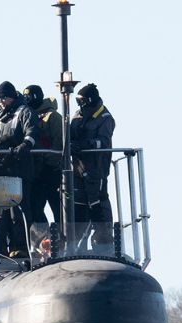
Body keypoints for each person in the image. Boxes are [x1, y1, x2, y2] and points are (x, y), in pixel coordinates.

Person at [0, 80, 36, 257]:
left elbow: (31, 132)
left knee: (19, 210)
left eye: (4, 98)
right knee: (3, 214)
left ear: (12, 96)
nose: (1, 102)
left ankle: (22, 247)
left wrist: (25, 145)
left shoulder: (24, 112)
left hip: (19, 169)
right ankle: (4, 248)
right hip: (0, 171)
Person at [67, 83, 115, 246]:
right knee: (79, 203)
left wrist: (86, 144)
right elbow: (69, 136)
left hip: (97, 168)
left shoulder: (105, 118)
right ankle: (76, 243)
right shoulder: (77, 116)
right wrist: (71, 144)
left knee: (98, 201)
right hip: (78, 168)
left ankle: (104, 240)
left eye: (81, 101)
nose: (79, 105)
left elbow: (103, 142)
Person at [24, 84, 64, 232]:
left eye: (29, 97)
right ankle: (45, 239)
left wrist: (50, 163)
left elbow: (59, 143)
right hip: (37, 172)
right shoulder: (28, 116)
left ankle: (63, 239)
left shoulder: (53, 117)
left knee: (59, 209)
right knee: (35, 207)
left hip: (53, 171)